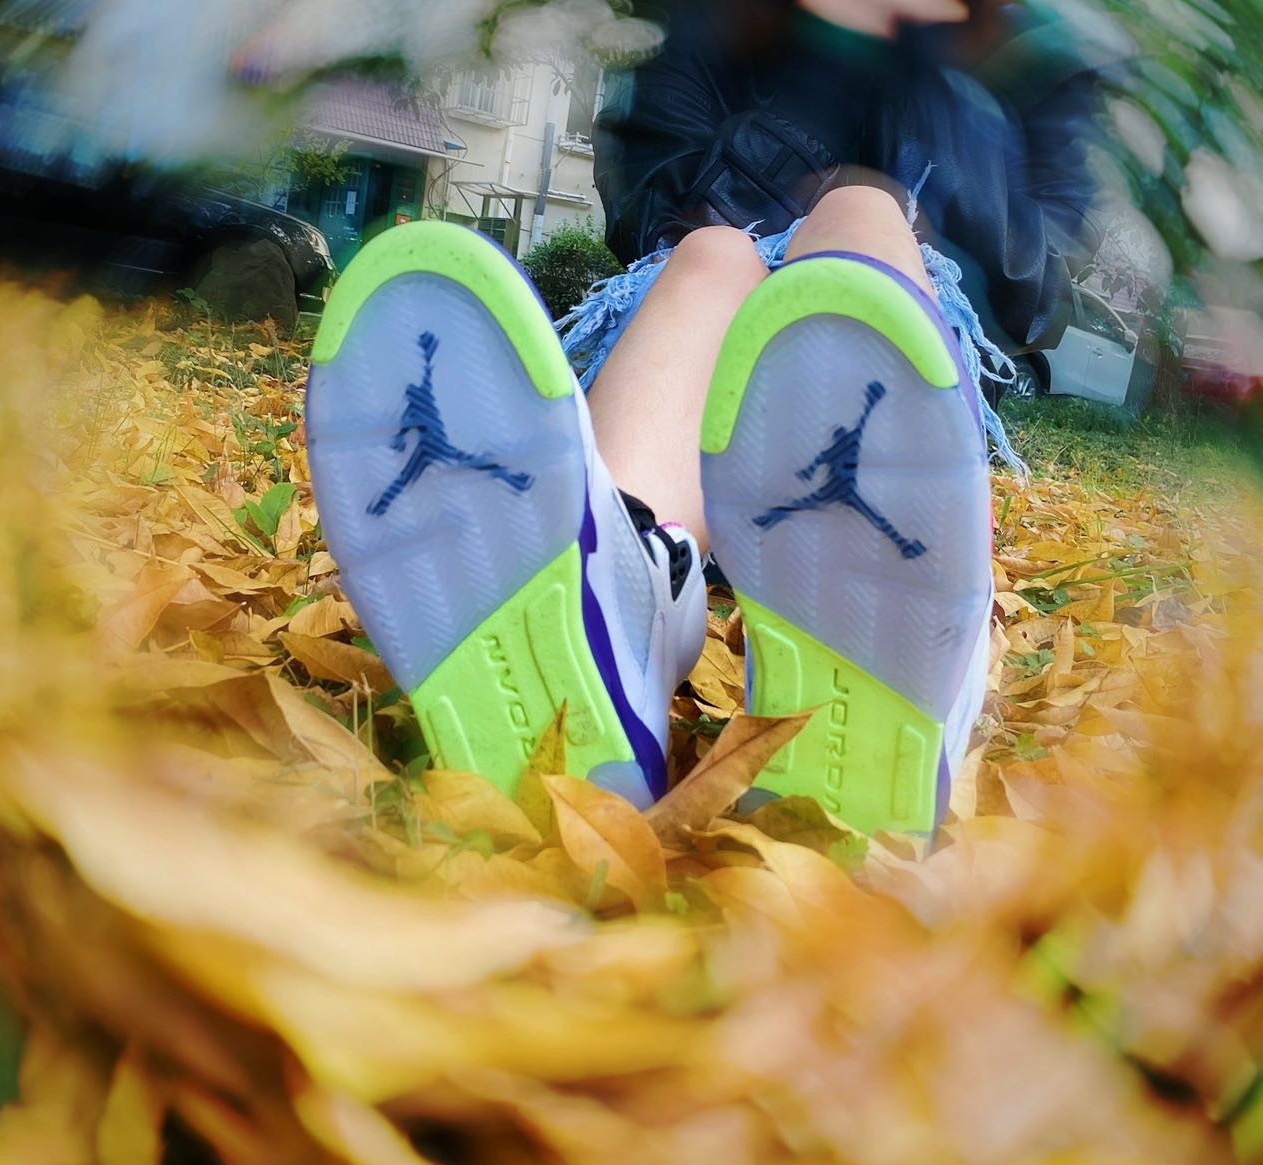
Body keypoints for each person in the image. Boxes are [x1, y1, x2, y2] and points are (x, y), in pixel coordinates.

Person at [305, 0, 1102, 837]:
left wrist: (921, 75)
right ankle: (630, 582)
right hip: (699, 302)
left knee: (857, 227)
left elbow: (1029, 278)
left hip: (909, 323)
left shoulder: (1032, 52)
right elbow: (655, 201)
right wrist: (822, 57)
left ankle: (894, 626)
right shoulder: (709, 19)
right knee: (711, 252)